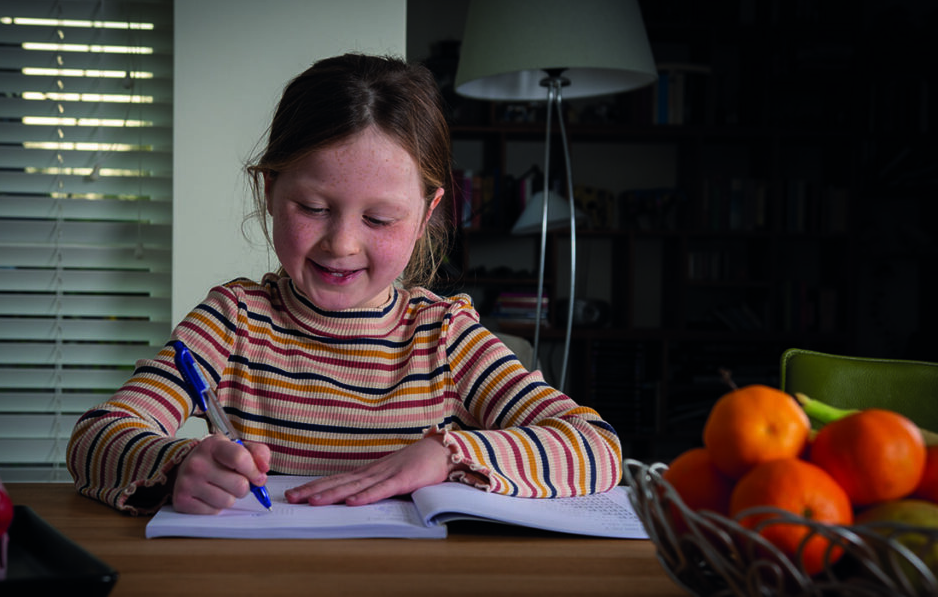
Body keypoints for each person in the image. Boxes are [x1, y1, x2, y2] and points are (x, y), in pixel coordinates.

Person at [66, 53, 622, 515]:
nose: (341, 244)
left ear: (427, 213)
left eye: (379, 220)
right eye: (311, 207)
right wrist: (176, 464)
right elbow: (96, 437)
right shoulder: (233, 321)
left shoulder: (445, 336)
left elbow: (595, 447)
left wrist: (448, 455)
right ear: (269, 192)